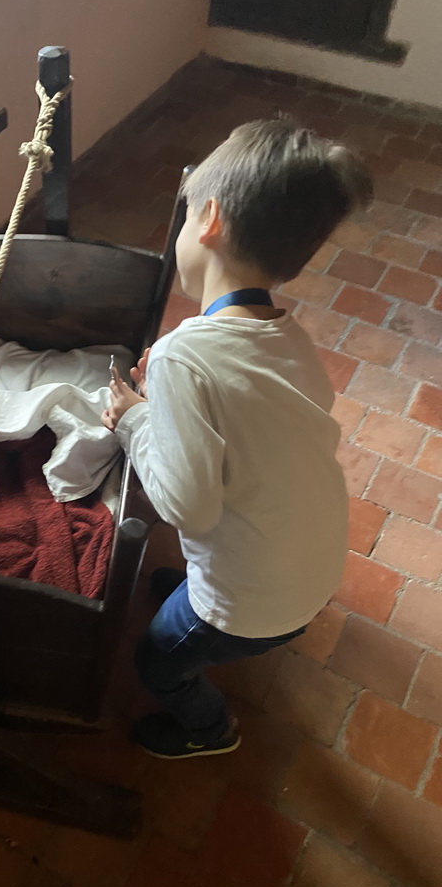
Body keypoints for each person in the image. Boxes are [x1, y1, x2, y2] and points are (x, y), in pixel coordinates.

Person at [101, 117, 372, 759]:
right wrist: (169, 401)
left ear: (211, 219)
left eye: (185, 211)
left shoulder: (182, 357)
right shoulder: (290, 339)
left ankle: (209, 730)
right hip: (309, 571)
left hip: (248, 602)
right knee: (190, 586)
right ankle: (204, 603)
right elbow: (251, 425)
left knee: (157, 660)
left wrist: (136, 418)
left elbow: (186, 506)